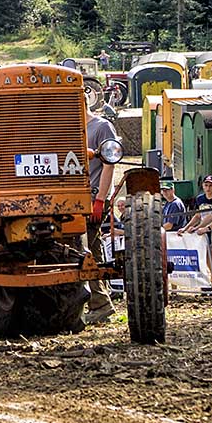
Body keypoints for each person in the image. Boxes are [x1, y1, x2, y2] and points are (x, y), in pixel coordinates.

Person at [82, 107, 119, 325]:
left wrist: (100, 200)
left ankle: (100, 303)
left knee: (85, 250)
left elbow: (109, 165)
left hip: (94, 197)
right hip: (76, 199)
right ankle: (99, 302)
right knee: (90, 249)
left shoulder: (101, 127)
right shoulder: (72, 128)